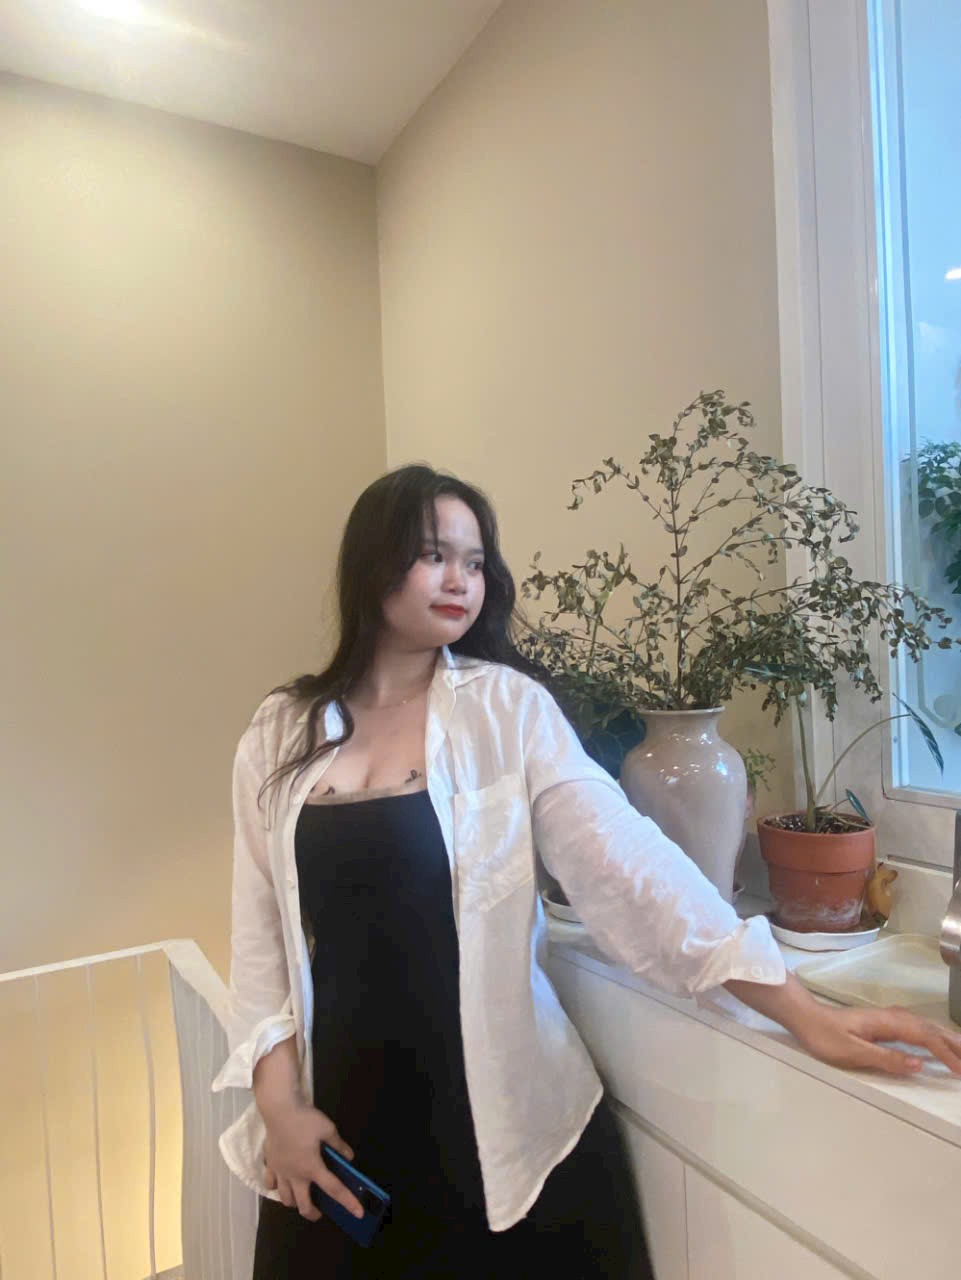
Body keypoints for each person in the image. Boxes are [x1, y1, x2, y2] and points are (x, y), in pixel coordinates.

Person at [213, 464, 961, 1279]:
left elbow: (629, 866)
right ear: (371, 561)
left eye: (475, 562)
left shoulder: (507, 709)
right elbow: (259, 938)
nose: (461, 580)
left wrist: (802, 1011)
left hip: (499, 1123)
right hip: (339, 1114)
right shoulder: (280, 730)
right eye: (435, 555)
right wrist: (278, 1107)